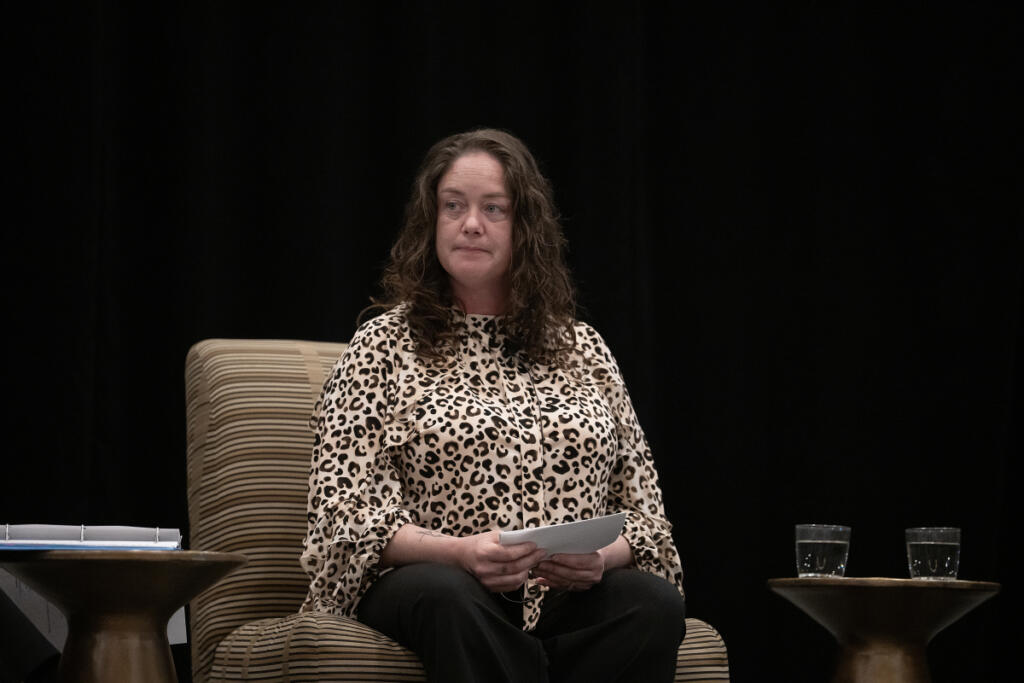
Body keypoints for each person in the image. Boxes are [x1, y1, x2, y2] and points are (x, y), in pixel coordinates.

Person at [300, 128, 686, 682]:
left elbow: (647, 518)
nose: (471, 223)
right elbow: (341, 515)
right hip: (432, 586)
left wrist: (602, 558)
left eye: (494, 209)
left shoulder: (582, 348)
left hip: (561, 596)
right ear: (431, 222)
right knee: (450, 596)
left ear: (525, 228)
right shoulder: (383, 345)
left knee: (650, 604)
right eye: (453, 206)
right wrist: (457, 552)